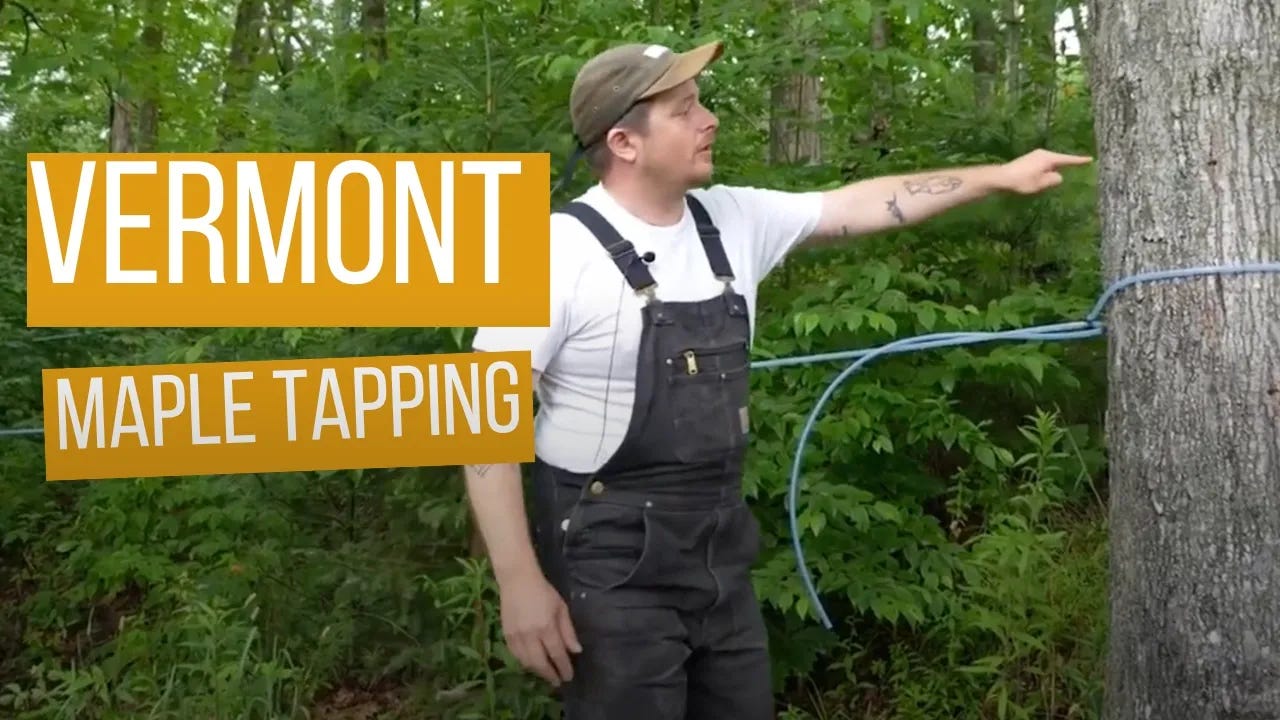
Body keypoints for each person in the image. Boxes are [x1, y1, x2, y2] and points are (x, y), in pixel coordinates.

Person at [463, 38, 1091, 720]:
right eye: (684, 110)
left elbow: (858, 206)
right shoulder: (552, 255)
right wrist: (518, 580)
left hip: (720, 558)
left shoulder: (732, 220)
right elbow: (483, 424)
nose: (710, 120)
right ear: (624, 142)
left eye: (700, 103)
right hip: (608, 567)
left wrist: (998, 176)